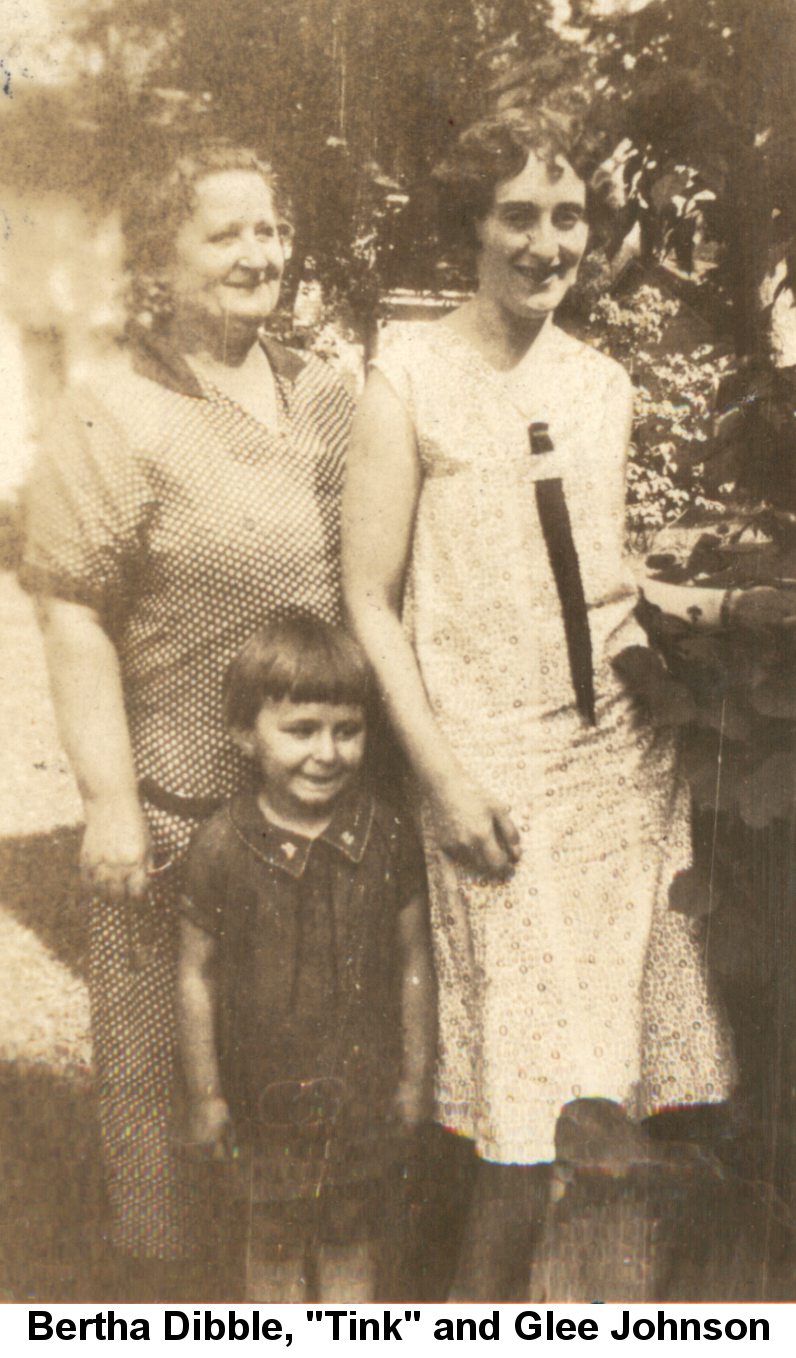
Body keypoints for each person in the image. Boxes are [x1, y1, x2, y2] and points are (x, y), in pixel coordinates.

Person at [342, 107, 740, 1300]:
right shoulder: (404, 376)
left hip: (617, 768)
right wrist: (444, 778)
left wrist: (725, 607)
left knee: (610, 1099)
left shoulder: (600, 383)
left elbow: (595, 579)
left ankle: (591, 1316)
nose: (546, 240)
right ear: (470, 221)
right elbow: (369, 599)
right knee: (521, 1118)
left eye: (567, 216)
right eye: (517, 212)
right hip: (487, 773)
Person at [19, 144, 353, 1295]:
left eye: (270, 229)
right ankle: (169, 1293)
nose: (259, 253)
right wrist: (111, 800)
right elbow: (70, 611)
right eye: (225, 234)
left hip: (316, 803)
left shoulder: (325, 390)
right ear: (162, 259)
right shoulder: (109, 407)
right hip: (177, 812)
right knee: (166, 1088)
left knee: (311, 1091)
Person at [176, 617, 436, 1302]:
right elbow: (195, 977)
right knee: (273, 1241)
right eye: (301, 730)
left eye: (346, 730)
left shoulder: (387, 836)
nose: (327, 752)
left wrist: (414, 1076)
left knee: (352, 1235)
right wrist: (207, 1096)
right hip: (261, 1097)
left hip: (360, 1091)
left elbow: (415, 961)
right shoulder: (222, 847)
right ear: (244, 736)